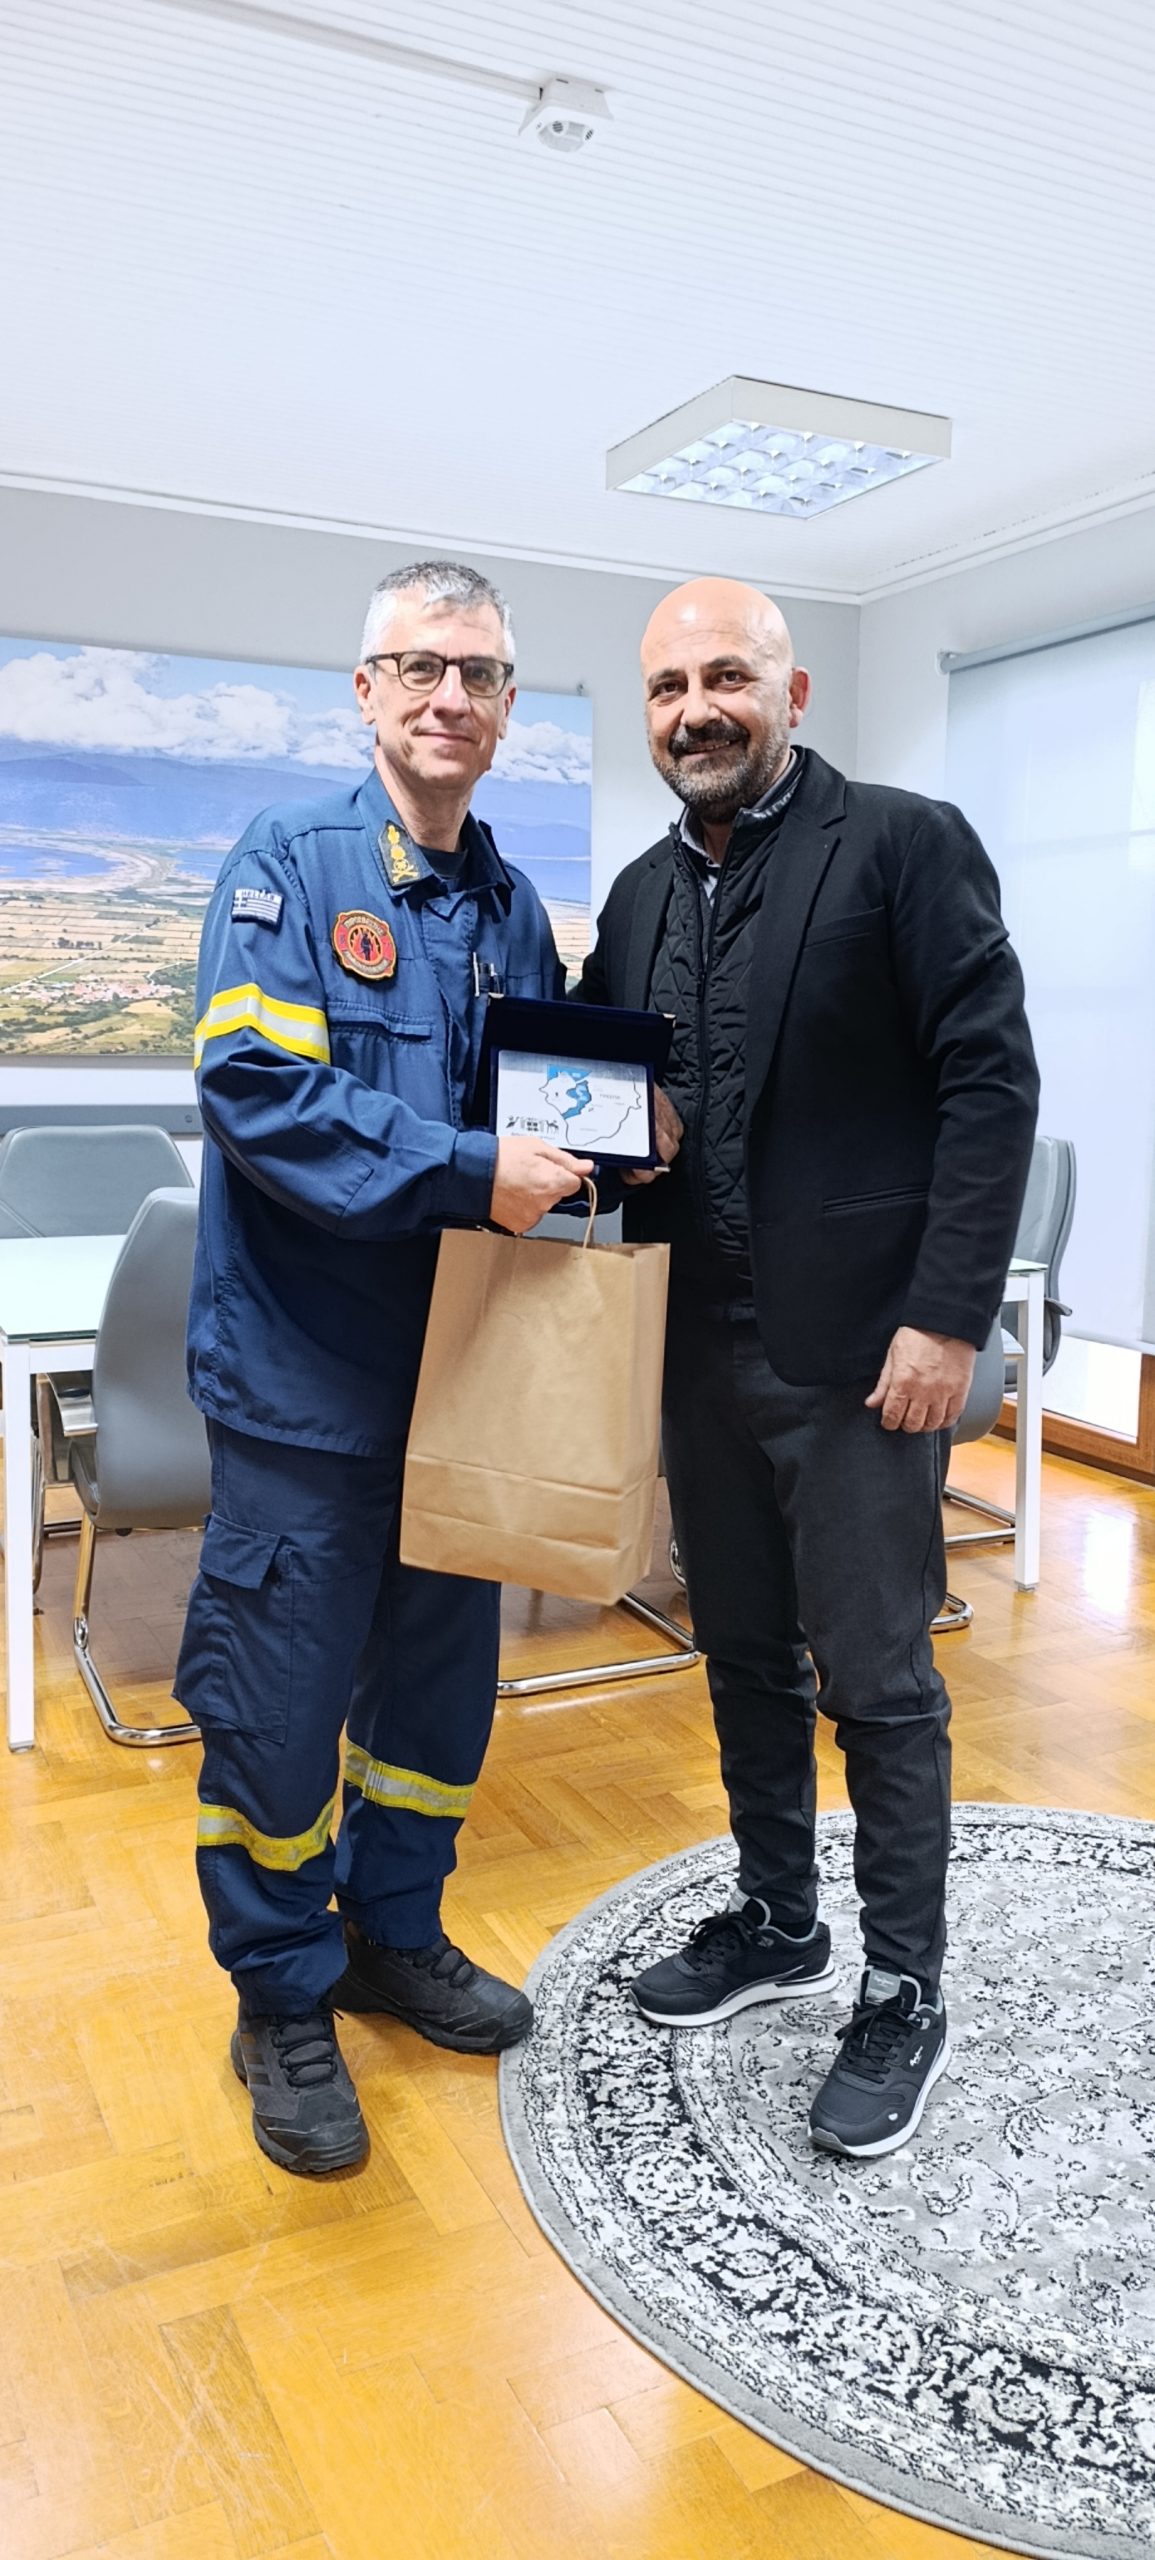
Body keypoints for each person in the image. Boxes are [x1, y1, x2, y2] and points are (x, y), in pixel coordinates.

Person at [577, 576, 1038, 2158]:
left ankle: (905, 1988)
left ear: (793, 694)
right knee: (741, 1655)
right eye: (666, 688)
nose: (694, 709)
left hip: (860, 1359)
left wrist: (948, 1317)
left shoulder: (902, 845)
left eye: (725, 677)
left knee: (881, 1683)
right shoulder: (639, 894)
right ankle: (780, 1920)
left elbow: (989, 1086)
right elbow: (612, 1097)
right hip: (694, 1347)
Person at [176, 560, 590, 2176]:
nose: (449, 697)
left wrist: (614, 1143)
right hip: (307, 1390)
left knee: (436, 1698)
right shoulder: (291, 861)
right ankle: (281, 1994)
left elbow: (543, 1120)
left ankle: (392, 1936)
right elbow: (256, 1092)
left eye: (478, 674)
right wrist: (471, 1168)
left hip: (468, 1388)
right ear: (366, 691)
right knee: (277, 1714)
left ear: (507, 709)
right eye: (419, 667)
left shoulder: (512, 909)